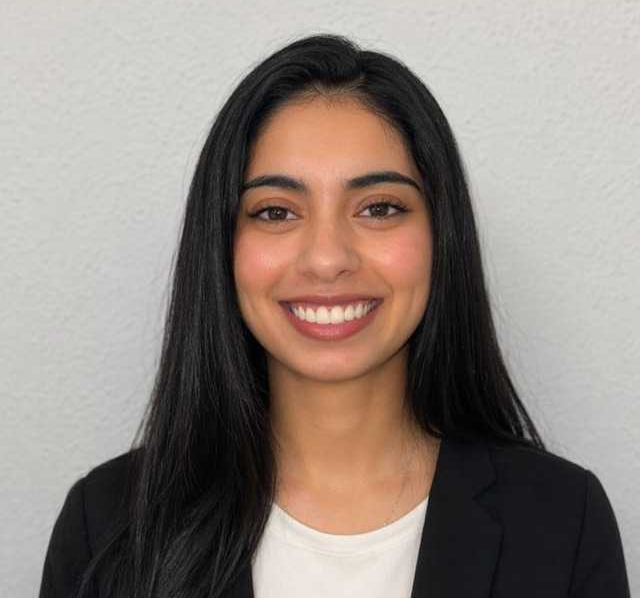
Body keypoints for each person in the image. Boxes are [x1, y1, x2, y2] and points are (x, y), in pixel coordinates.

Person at [38, 33, 631, 598]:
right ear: (222, 245)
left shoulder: (562, 520)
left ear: (441, 237)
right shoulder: (106, 523)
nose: (327, 259)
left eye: (379, 208)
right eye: (275, 212)